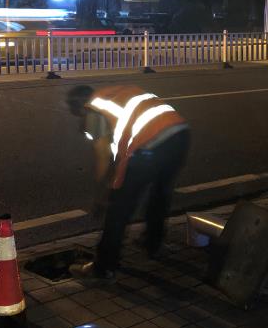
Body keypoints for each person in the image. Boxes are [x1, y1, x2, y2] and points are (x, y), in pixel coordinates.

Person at [66, 84, 190, 282]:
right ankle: (153, 244)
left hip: (150, 144)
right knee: (160, 195)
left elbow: (103, 155)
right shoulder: (115, 93)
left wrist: (101, 195)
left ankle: (104, 268)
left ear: (80, 108)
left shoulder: (94, 109)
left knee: (119, 209)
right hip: (179, 135)